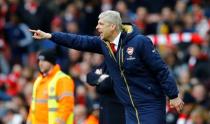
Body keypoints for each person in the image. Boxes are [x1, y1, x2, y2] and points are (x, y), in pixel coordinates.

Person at [29, 10, 184, 124]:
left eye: (101, 24)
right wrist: (51, 36)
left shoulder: (140, 42)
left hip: (149, 104)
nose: (97, 27)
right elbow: (78, 41)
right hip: (129, 108)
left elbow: (161, 69)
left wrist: (173, 95)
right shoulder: (104, 44)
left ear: (113, 27)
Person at [27, 49, 74, 124]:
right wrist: (29, 121)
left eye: (43, 61)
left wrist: (61, 120)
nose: (40, 64)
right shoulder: (38, 80)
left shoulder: (62, 79)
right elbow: (33, 106)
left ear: (51, 62)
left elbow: (66, 105)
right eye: (39, 61)